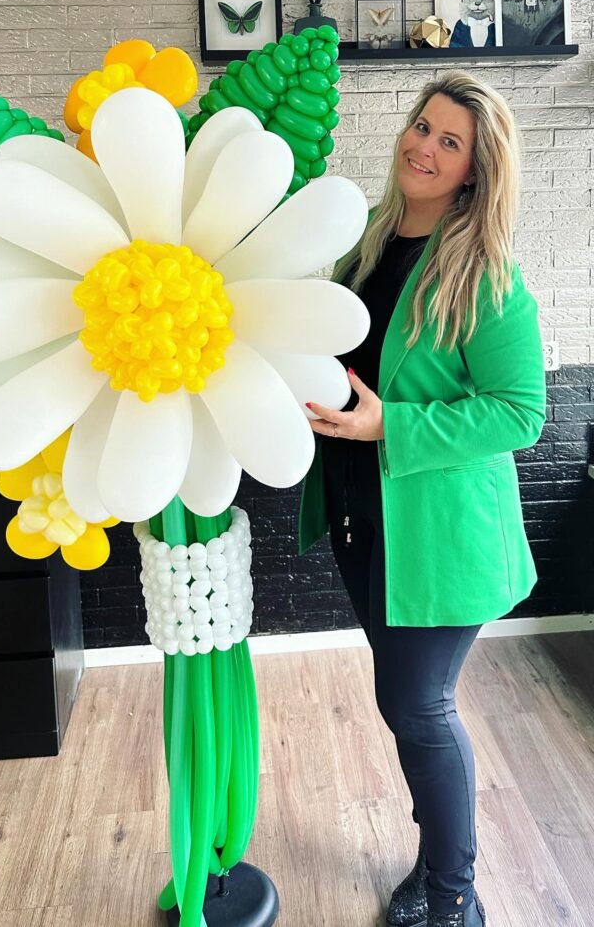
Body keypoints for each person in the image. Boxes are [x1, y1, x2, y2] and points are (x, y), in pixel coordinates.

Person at [299, 71, 546, 927]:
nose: (425, 146)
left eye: (451, 142)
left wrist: (385, 428)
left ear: (477, 171)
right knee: (402, 702)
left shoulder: (487, 274)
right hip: (366, 521)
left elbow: (522, 412)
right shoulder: (369, 237)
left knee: (418, 704)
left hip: (441, 534)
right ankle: (436, 860)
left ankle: (454, 898)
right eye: (423, 126)